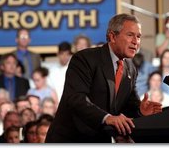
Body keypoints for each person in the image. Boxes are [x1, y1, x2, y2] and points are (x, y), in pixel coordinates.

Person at [45, 13, 162, 143]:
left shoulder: (130, 68)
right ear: (112, 36)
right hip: (70, 140)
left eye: (138, 36)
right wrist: (107, 118)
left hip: (99, 141)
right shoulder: (85, 59)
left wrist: (140, 110)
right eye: (130, 35)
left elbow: (129, 104)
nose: (136, 41)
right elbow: (76, 99)